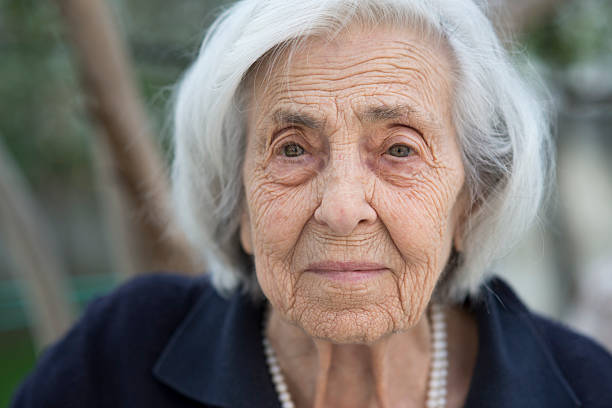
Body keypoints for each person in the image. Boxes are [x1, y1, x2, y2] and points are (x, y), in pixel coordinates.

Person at [12, 0, 612, 407]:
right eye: (293, 148)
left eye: (399, 149)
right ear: (238, 204)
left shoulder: (585, 387)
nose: (341, 207)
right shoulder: (118, 359)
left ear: (470, 204)